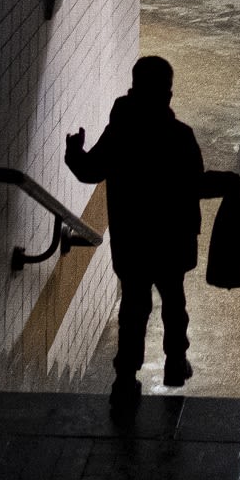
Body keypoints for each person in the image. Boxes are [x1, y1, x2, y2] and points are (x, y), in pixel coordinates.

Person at [66, 55, 204, 418]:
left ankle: (125, 378)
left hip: (132, 243)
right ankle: (176, 360)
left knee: (133, 310)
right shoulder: (180, 136)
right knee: (174, 302)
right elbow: (195, 186)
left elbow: (89, 171)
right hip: (171, 241)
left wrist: (73, 153)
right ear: (168, 94)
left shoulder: (120, 134)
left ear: (134, 88)